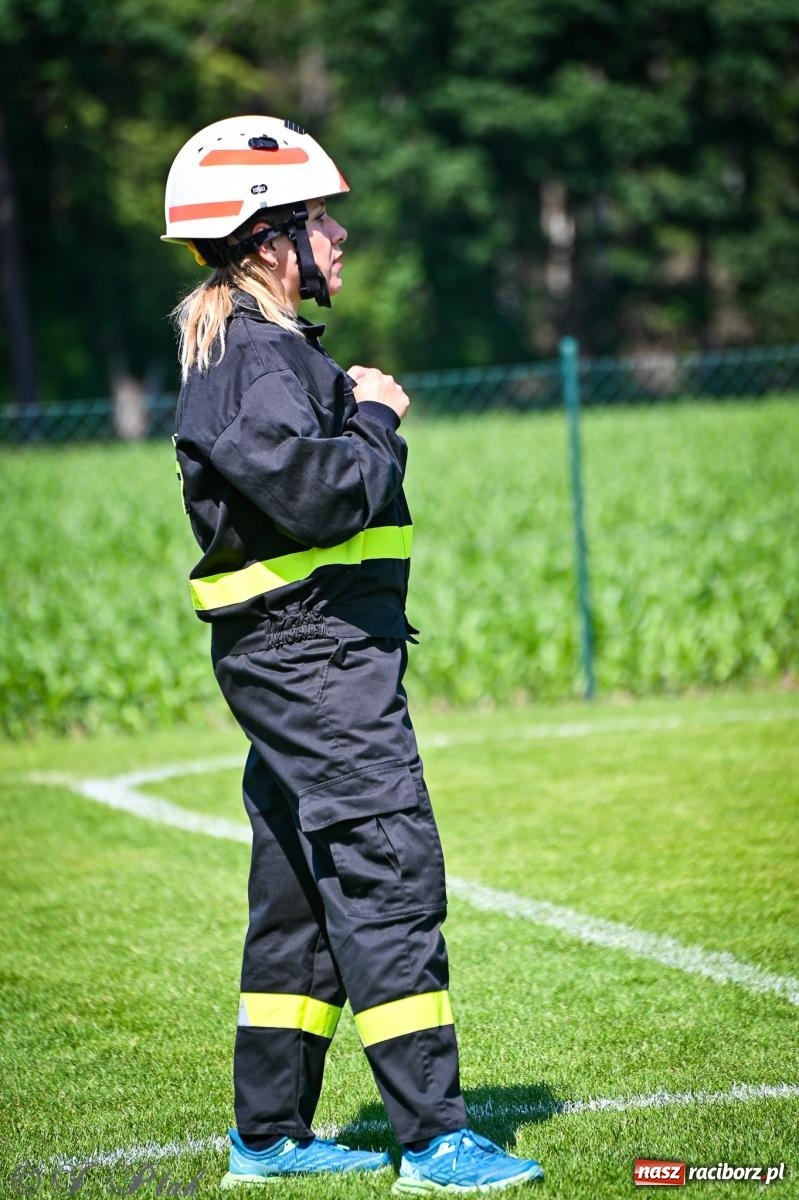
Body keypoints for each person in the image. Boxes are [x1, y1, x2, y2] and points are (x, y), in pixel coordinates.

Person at [162, 114, 544, 1194]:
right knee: (386, 867)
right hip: (314, 661)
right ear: (265, 235)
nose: (339, 236)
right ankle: (432, 1141)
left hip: (308, 660)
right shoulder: (253, 361)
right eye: (320, 217)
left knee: (297, 889)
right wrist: (377, 417)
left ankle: (270, 1135)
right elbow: (323, 497)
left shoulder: (261, 354)